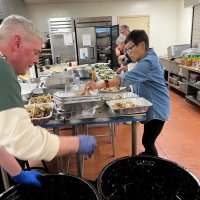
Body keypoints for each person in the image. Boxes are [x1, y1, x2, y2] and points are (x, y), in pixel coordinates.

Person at [0, 15, 96, 186]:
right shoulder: (2, 70)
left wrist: (17, 173)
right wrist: (76, 143)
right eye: (35, 52)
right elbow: (23, 140)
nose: (37, 60)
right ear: (16, 43)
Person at [85, 30, 170, 157]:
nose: (128, 53)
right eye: (127, 50)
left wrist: (99, 84)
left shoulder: (149, 62)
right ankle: (147, 156)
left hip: (157, 108)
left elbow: (123, 79)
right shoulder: (146, 58)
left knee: (148, 141)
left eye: (130, 49)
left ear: (141, 45)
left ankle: (155, 166)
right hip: (154, 105)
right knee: (147, 140)